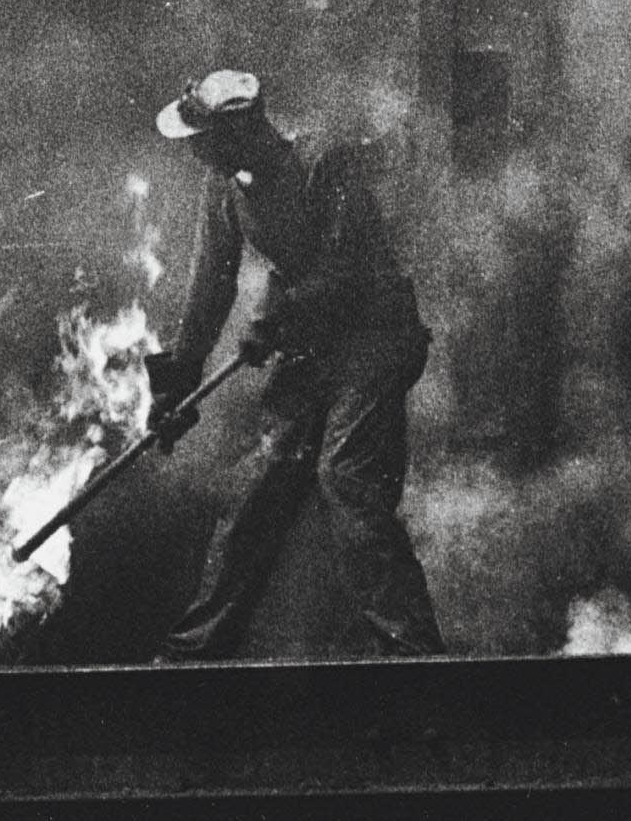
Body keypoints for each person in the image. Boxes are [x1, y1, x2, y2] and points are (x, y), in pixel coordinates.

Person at [143, 69, 444, 660]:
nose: (196, 152)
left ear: (240, 131)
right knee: (260, 487)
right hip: (311, 344)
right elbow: (211, 287)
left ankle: (415, 658)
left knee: (347, 478)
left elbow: (348, 268)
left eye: (204, 139)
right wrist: (180, 378)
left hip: (374, 338)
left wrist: (277, 321)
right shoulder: (224, 186)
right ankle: (191, 655)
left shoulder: (323, 163)